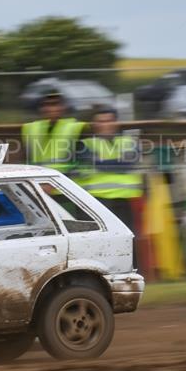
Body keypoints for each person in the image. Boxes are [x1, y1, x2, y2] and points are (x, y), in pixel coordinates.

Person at [75, 107, 143, 264]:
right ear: (94, 124)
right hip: (96, 201)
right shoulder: (85, 145)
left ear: (116, 123)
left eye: (109, 120)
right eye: (101, 121)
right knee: (99, 243)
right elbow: (103, 165)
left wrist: (104, 162)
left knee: (127, 240)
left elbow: (127, 164)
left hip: (124, 199)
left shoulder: (128, 142)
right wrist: (117, 161)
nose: (106, 124)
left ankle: (131, 274)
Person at [21, 92, 86, 175]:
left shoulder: (75, 128)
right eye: (47, 105)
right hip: (38, 181)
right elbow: (25, 161)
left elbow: (82, 162)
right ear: (42, 109)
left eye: (55, 104)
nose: (51, 109)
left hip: (64, 182)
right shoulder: (30, 129)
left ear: (63, 107)